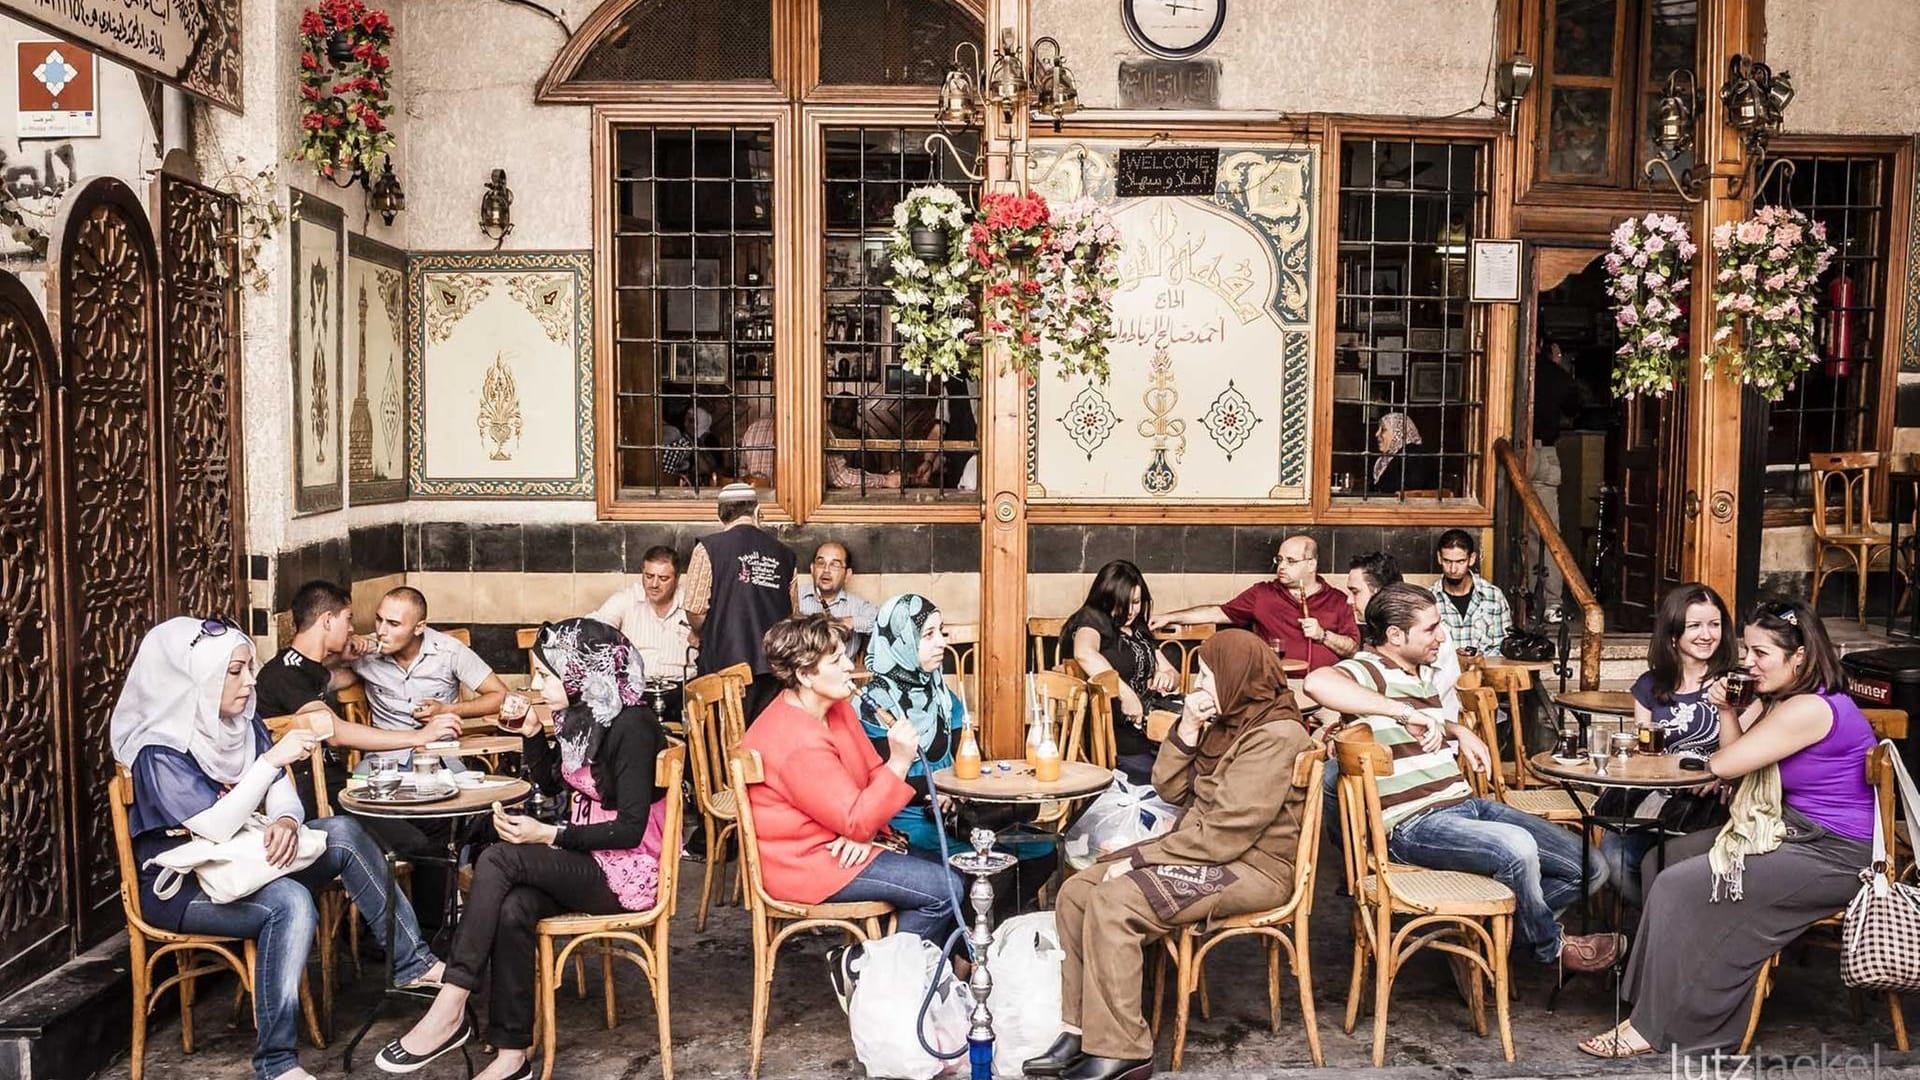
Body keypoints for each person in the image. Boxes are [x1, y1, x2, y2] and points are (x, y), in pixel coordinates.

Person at [112, 617, 439, 1080]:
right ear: (195, 680)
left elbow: (281, 789)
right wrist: (270, 763)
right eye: (235, 672)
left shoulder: (238, 724)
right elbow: (215, 825)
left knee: (341, 832)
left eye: (249, 669)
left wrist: (286, 816)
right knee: (288, 902)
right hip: (180, 889)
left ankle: (412, 963)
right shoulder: (159, 749)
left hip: (246, 861)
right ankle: (277, 1064)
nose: (250, 682)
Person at [1582, 599, 1880, 1058]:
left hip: (1836, 855)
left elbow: (1725, 764)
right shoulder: (1785, 701)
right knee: (1663, 858)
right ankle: (1648, 999)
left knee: (1679, 885)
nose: (1748, 663)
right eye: (1747, 652)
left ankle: (1655, 1026)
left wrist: (1728, 707)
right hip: (1791, 831)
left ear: (1798, 656)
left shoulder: (1809, 708)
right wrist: (1728, 710)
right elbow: (1736, 767)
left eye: (1761, 653)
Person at [379, 619, 667, 1080]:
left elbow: (631, 830)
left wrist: (547, 835)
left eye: (545, 675)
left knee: (497, 857)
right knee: (513, 906)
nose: (535, 685)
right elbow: (555, 782)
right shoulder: (585, 716)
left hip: (625, 872)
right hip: (585, 861)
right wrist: (533, 732)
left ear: (581, 672)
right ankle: (513, 1056)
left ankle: (451, 1004)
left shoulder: (631, 725)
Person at [1024, 630, 1314, 1080]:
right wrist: (1190, 727)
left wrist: (1140, 857)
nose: (1196, 682)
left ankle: (1123, 1050)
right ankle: (1079, 1029)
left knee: (1115, 901)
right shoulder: (1229, 720)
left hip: (1251, 867)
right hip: (1208, 851)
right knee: (1078, 890)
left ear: (1237, 676)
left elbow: (1225, 836)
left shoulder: (1276, 735)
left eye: (1206, 673)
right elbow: (1170, 788)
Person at [1304, 583, 1620, 974]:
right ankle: (1551, 948)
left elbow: (1430, 718)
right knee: (1517, 847)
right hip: (1413, 825)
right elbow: (1317, 683)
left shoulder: (1420, 672)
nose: (1442, 636)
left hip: (1466, 805)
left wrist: (1456, 729)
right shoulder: (1370, 670)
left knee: (1591, 867)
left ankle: (1497, 930)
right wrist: (1404, 714)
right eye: (1432, 628)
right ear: (1395, 636)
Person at [736, 615, 962, 1003]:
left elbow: (868, 777)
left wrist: (865, 830)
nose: (849, 667)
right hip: (807, 863)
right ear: (806, 675)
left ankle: (918, 988)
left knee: (958, 870)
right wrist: (900, 762)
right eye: (836, 659)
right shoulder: (794, 740)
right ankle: (865, 968)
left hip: (842, 842)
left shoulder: (835, 708)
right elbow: (860, 809)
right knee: (947, 889)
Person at [347, 585, 509, 931]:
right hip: (383, 759)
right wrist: (345, 651)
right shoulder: (365, 652)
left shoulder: (449, 651)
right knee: (353, 804)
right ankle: (384, 911)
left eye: (394, 623)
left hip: (439, 756)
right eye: (378, 620)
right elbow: (318, 670)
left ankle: (445, 903)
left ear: (419, 627)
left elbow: (498, 695)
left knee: (462, 809)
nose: (381, 630)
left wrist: (449, 709)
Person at [256, 580, 464, 817]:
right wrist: (421, 735)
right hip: (306, 795)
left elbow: (347, 677)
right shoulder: (284, 673)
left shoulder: (311, 668)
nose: (352, 629)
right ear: (327, 621)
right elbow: (335, 733)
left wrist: (349, 656)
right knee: (417, 833)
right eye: (348, 618)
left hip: (335, 783)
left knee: (431, 816)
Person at [1597, 583, 1736, 907]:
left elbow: (1747, 750)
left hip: (1711, 807)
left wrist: (1722, 771)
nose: (1707, 634)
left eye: (1714, 625)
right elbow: (1646, 753)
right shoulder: (1650, 685)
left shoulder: (1736, 685)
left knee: (1673, 866)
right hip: (1658, 802)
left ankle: (1672, 926)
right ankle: (1656, 921)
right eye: (1695, 626)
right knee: (1614, 858)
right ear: (1673, 634)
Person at [1153, 535, 1359, 672]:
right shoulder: (1263, 594)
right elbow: (1217, 613)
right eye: (1280, 560)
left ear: (1311, 564)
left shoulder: (1338, 600)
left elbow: (1352, 649)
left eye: (1291, 561)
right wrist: (1168, 617)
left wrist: (1323, 635)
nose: (1282, 567)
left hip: (1326, 689)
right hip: (1275, 685)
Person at [682, 483, 797, 723]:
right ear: (757, 512)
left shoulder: (708, 549)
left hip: (725, 668)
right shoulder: (785, 554)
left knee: (727, 742)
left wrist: (700, 631)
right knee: (766, 738)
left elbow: (695, 608)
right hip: (775, 667)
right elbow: (794, 615)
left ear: (721, 514)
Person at [1061, 560, 1181, 784]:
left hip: (1150, 729)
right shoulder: (1092, 619)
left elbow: (1171, 672)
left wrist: (1167, 678)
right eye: (1123, 603)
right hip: (1115, 736)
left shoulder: (1136, 627)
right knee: (1180, 773)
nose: (1131, 610)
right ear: (1106, 598)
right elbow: (1084, 652)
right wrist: (1124, 694)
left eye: (1136, 602)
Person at [588, 545, 697, 724]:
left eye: (663, 578)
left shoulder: (691, 606)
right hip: (637, 692)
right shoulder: (626, 600)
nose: (654, 584)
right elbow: (593, 629)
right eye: (649, 576)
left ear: (677, 579)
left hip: (682, 691)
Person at [1529, 341, 1585, 614]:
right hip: (1545, 452)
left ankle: (1526, 597)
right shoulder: (1554, 373)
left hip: (1517, 452)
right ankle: (1552, 602)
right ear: (1546, 346)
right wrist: (1558, 363)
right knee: (1548, 531)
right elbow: (1575, 406)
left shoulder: (1512, 368)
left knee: (1519, 531)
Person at [1430, 529, 1512, 657]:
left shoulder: (1493, 596)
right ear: (1439, 558)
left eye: (1460, 562)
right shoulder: (1428, 600)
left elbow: (1504, 647)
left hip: (1485, 674)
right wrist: (1450, 656)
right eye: (1447, 561)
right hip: (1443, 675)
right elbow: (1421, 650)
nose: (1453, 569)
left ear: (1472, 558)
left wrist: (1476, 657)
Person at [797, 541, 881, 647]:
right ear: (812, 569)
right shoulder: (793, 597)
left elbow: (884, 623)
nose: (826, 570)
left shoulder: (858, 606)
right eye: (821, 563)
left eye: (835, 565)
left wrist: (849, 622)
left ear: (847, 575)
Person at [1368, 412, 1438, 496]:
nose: (1377, 434)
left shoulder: (1415, 456)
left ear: (1399, 432)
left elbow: (1410, 493)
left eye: (1383, 429)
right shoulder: (1385, 460)